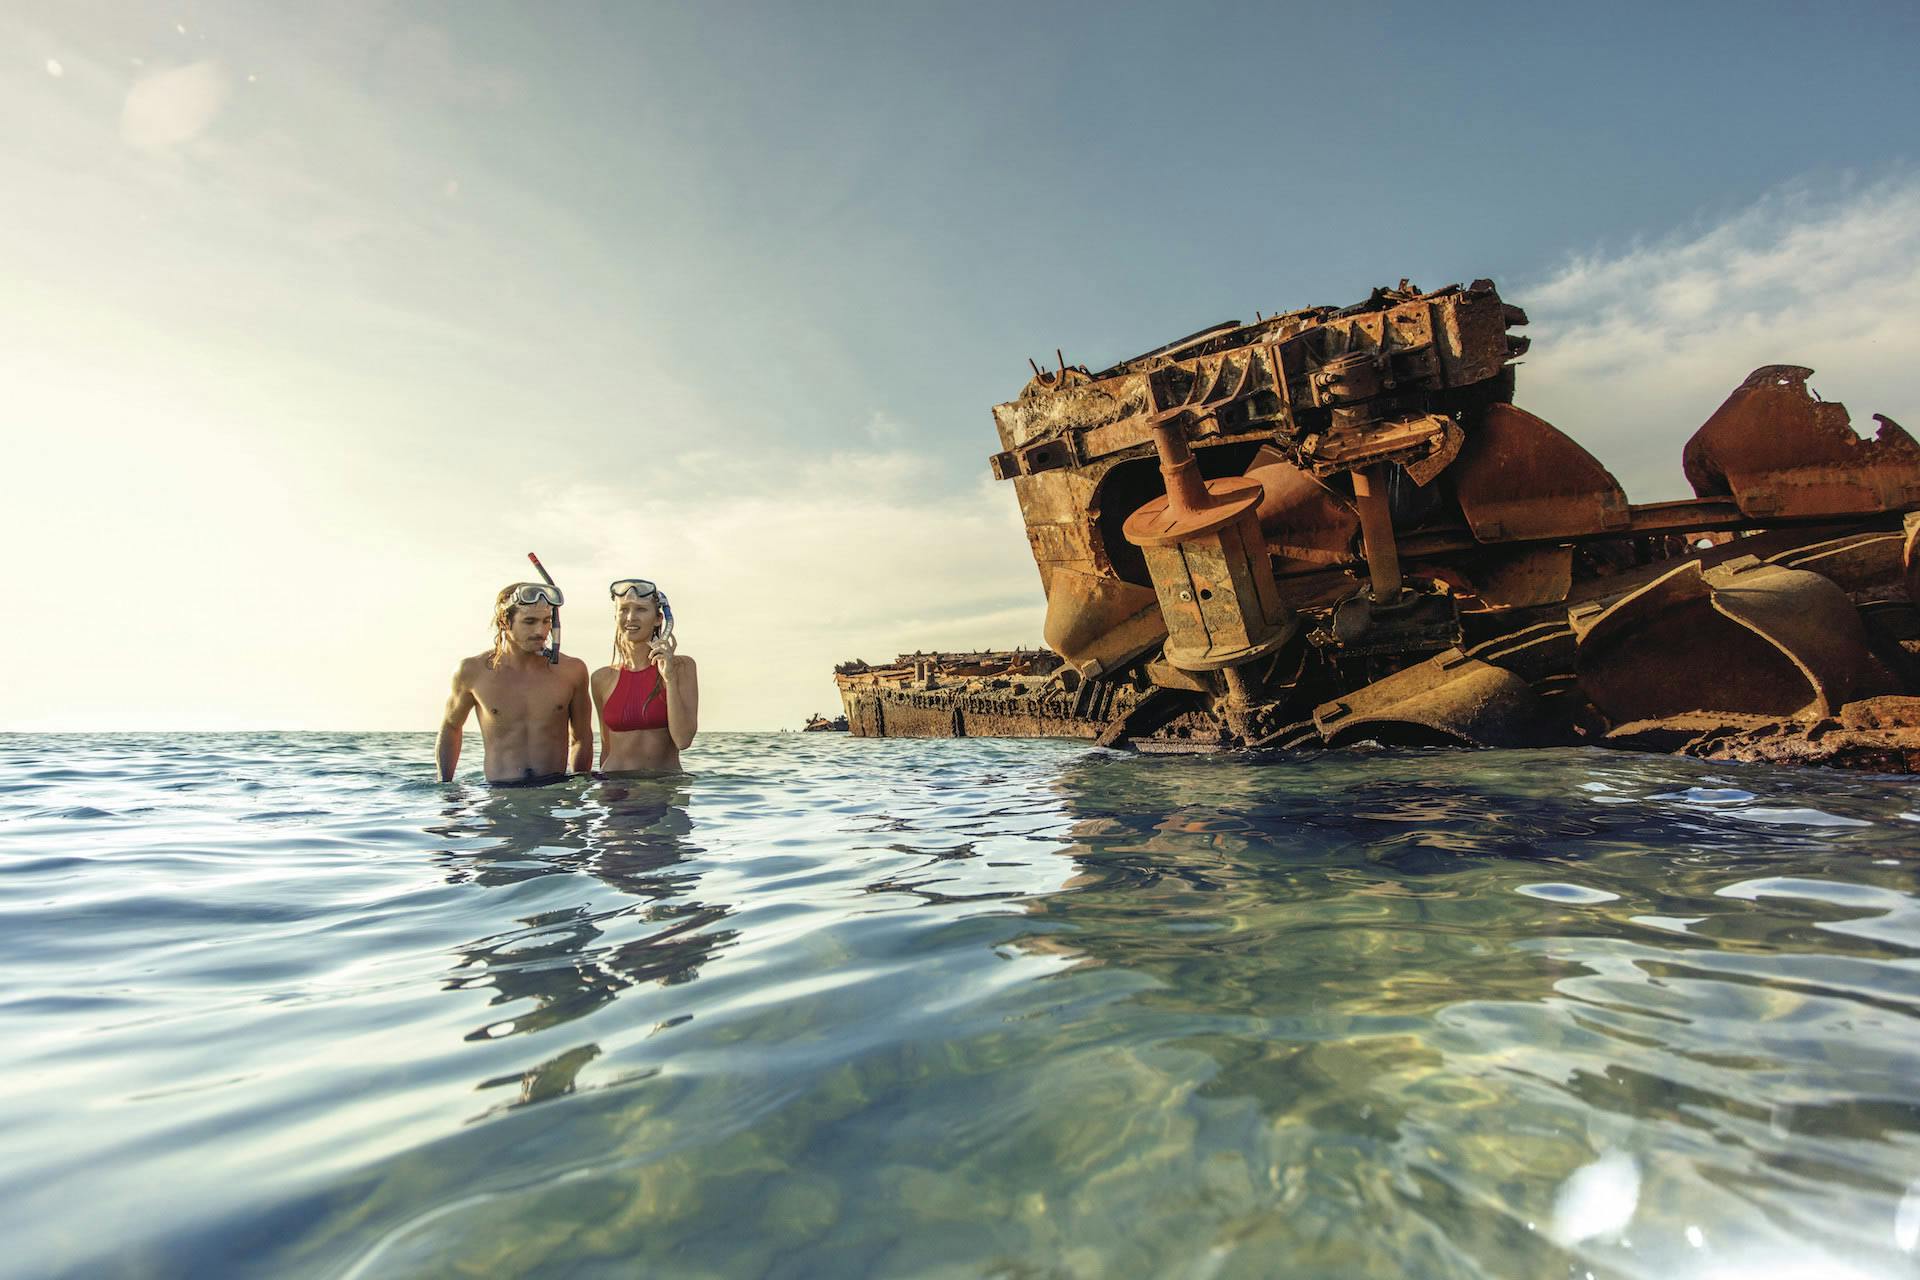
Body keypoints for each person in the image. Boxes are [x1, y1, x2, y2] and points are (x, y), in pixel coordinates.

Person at [437, 582, 593, 784]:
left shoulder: (572, 671)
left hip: (553, 790)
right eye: (529, 621)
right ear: (504, 622)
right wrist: (446, 788)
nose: (541, 630)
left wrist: (579, 791)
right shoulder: (472, 672)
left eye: (546, 621)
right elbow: (451, 726)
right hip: (500, 793)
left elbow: (581, 736)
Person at [591, 578, 699, 772]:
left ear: (659, 618)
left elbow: (683, 740)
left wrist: (670, 679)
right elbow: (606, 748)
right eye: (623, 609)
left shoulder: (682, 667)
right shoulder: (601, 678)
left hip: (662, 788)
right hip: (614, 787)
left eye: (641, 609)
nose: (631, 617)